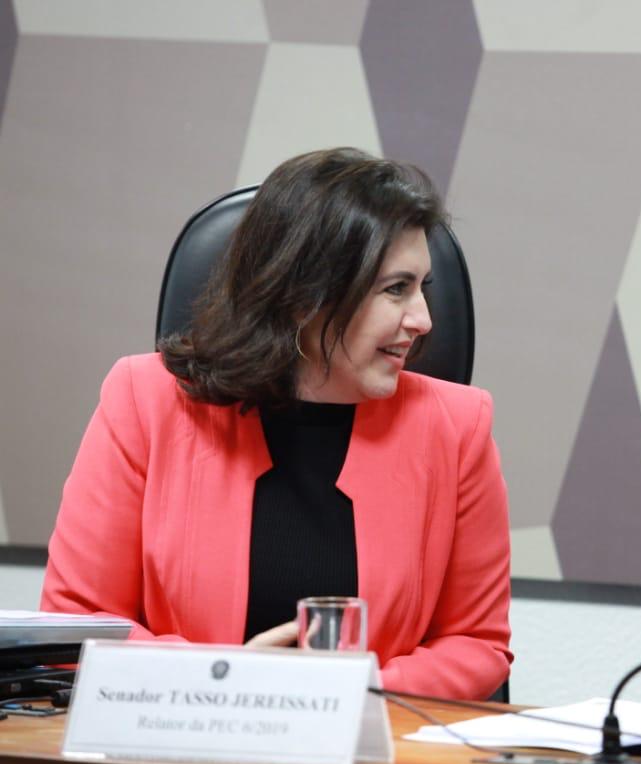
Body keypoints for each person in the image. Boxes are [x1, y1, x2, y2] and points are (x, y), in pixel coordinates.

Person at [42, 148, 512, 700]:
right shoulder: (144, 401)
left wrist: (354, 691)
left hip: (373, 762)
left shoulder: (458, 427)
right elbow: (74, 627)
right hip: (179, 755)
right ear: (303, 295)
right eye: (395, 289)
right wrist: (228, 683)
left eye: (422, 288)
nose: (423, 321)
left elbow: (477, 643)